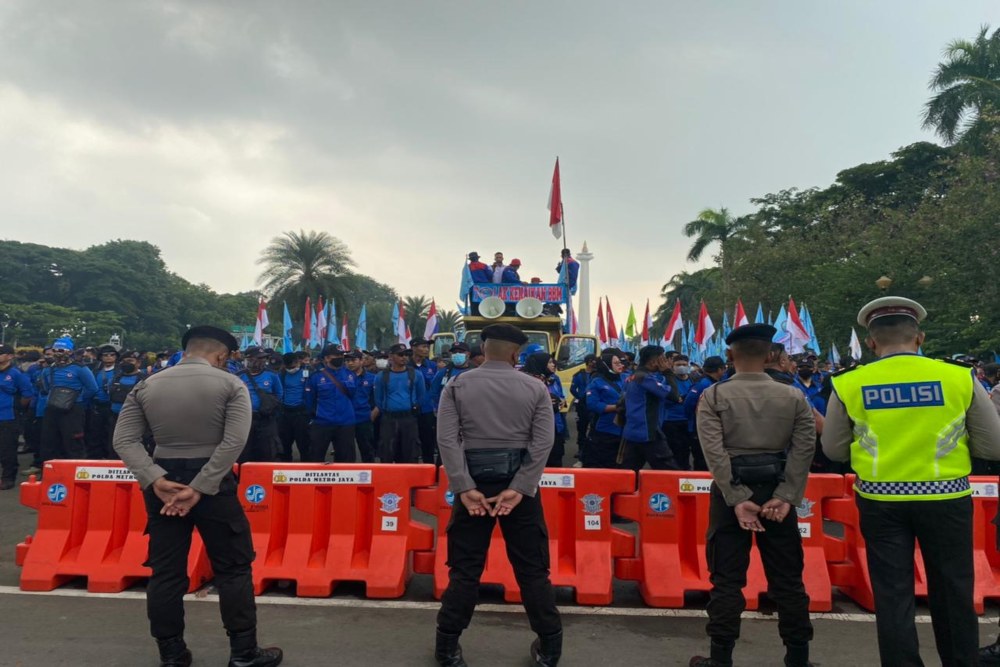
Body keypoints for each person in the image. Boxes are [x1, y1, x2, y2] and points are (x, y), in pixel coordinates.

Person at [820, 297, 1000, 667]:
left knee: (892, 593)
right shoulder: (958, 377)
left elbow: (834, 449)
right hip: (947, 498)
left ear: (871, 343)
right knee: (952, 590)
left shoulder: (849, 382)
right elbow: (992, 444)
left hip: (880, 501)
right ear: (920, 338)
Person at [112, 325, 282, 667]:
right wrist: (201, 486)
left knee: (166, 571)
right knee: (233, 567)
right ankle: (244, 653)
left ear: (187, 350)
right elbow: (234, 443)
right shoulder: (231, 383)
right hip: (214, 481)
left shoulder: (148, 385)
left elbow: (124, 441)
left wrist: (154, 479)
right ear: (221, 355)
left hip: (163, 482)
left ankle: (172, 655)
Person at [435, 323, 561, 666]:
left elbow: (447, 440)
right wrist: (521, 487)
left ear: (483, 349)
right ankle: (550, 649)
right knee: (533, 570)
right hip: (519, 488)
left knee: (464, 570)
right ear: (516, 353)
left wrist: (464, 487)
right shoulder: (534, 388)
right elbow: (543, 442)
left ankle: (447, 649)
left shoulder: (457, 386)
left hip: (473, 487)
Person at [691, 324, 816, 667]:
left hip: (732, 491)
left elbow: (713, 453)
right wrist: (787, 494)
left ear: (730, 355)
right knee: (788, 579)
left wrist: (736, 497)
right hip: (778, 490)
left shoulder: (714, 396)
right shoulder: (793, 396)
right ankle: (798, 657)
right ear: (771, 356)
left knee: (727, 579)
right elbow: (804, 448)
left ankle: (720, 658)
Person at [39, 336, 98, 464]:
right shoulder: (48, 370)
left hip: (73, 410)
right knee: (49, 442)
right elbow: (47, 387)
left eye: (61, 350)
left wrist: (77, 399)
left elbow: (92, 388)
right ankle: (50, 474)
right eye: (54, 350)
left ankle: (76, 474)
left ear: (70, 352)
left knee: (73, 443)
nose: (57, 353)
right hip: (52, 409)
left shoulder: (80, 369)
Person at [621, 345, 679, 471]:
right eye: (663, 359)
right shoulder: (645, 378)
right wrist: (668, 373)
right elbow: (674, 396)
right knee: (669, 473)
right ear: (653, 361)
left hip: (633, 430)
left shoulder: (633, 376)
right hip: (648, 432)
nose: (666, 362)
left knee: (629, 473)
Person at [304, 344, 357, 463]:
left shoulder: (350, 375)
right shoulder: (316, 377)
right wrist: (314, 418)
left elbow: (353, 396)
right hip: (322, 422)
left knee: (346, 461)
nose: (340, 357)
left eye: (341, 355)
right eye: (337, 355)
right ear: (327, 358)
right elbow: (309, 401)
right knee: (315, 459)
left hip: (345, 423)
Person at [375, 344, 425, 463]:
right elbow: (378, 398)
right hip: (389, 419)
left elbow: (421, 396)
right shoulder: (382, 376)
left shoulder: (416, 374)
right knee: (387, 453)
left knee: (410, 454)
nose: (404, 357)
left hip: (408, 419)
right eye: (400, 355)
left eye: (407, 354)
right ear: (391, 356)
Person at [236, 349, 283, 463]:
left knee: (267, 452)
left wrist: (270, 408)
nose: (262, 361)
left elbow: (279, 394)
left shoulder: (271, 375)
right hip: (245, 420)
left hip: (265, 420)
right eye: (259, 358)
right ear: (248, 359)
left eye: (264, 358)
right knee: (244, 452)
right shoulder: (239, 376)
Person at [522, 351, 568, 467]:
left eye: (553, 362)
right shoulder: (527, 382)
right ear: (540, 364)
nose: (553, 365)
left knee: (556, 459)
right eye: (550, 362)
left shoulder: (554, 378)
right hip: (535, 429)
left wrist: (559, 402)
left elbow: (562, 398)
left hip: (555, 426)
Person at [0, 344, 34, 489]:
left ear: (10, 356)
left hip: (8, 417)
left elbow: (27, 394)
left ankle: (8, 479)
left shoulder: (16, 373)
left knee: (7, 449)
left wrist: (17, 407)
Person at [584, 351, 626, 469]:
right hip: (605, 430)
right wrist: (616, 408)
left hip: (625, 430)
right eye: (616, 363)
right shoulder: (596, 382)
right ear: (606, 365)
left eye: (620, 363)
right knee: (605, 463)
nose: (620, 365)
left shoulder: (625, 378)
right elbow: (592, 404)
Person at [663, 354, 699, 470]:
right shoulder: (668, 380)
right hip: (672, 421)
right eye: (678, 365)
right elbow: (665, 398)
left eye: (684, 364)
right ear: (672, 366)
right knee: (677, 451)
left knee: (691, 451)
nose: (681, 367)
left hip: (690, 421)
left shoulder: (694, 379)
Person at [409, 337, 439, 464]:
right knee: (410, 442)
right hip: (409, 409)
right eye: (423, 346)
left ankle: (429, 469)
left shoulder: (432, 366)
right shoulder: (405, 365)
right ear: (414, 348)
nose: (426, 349)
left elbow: (436, 387)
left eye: (427, 347)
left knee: (428, 442)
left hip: (427, 410)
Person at [89, 344, 121, 459]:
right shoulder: (95, 371)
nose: (108, 357)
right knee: (95, 433)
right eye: (105, 355)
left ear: (116, 357)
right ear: (101, 357)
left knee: (111, 433)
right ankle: (96, 457)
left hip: (113, 406)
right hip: (97, 406)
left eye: (112, 355)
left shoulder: (120, 371)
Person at [276, 353, 310, 462]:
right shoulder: (281, 374)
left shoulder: (307, 374)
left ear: (298, 362)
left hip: (301, 414)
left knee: (304, 445)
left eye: (293, 365)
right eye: (288, 367)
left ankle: (306, 469)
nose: (291, 369)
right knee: (285, 445)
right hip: (285, 413)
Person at [345, 350, 377, 463]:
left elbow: (377, 399)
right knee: (346, 452)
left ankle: (370, 476)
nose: (350, 363)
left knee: (367, 450)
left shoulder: (372, 378)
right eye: (347, 360)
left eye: (353, 360)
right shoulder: (342, 377)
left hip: (364, 418)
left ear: (361, 361)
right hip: (345, 419)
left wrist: (373, 414)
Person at [430, 343, 474, 410]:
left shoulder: (475, 371)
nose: (457, 354)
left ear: (468, 354)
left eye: (460, 352)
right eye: (454, 352)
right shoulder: (444, 372)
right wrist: (439, 407)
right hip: (449, 411)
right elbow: (434, 392)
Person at [570, 355, 597, 461]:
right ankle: (581, 449)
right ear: (587, 362)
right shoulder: (579, 375)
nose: (593, 363)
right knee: (581, 428)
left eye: (594, 361)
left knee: (594, 427)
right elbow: (573, 389)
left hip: (594, 405)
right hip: (582, 405)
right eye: (591, 361)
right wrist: (580, 397)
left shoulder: (597, 375)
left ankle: (592, 450)